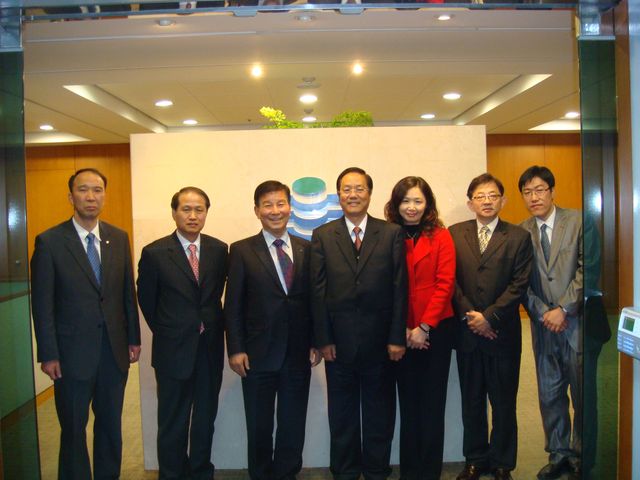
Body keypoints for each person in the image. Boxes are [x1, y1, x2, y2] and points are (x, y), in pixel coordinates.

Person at [31, 168, 141, 480]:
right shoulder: (50, 242)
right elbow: (43, 304)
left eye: (97, 190)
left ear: (104, 195)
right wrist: (49, 353)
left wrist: (133, 338)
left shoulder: (117, 238)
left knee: (110, 428)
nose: (90, 196)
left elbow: (125, 293)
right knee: (73, 430)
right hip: (70, 356)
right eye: (83, 190)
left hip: (113, 353)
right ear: (71, 197)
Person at [310, 166, 407, 480]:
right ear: (338, 195)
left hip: (381, 343)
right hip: (337, 344)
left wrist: (396, 338)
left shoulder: (391, 233)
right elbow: (318, 291)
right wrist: (323, 339)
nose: (353, 194)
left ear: (369, 193)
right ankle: (345, 470)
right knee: (342, 414)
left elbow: (398, 288)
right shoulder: (323, 235)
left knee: (379, 412)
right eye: (346, 189)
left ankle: (377, 470)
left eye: (359, 188)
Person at [225, 180, 320, 480]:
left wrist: (316, 341)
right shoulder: (241, 250)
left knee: (293, 424)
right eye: (268, 205)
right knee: (259, 425)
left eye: (281, 204)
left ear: (290, 207)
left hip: (296, 354)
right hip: (256, 355)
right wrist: (236, 348)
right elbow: (233, 304)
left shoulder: (307, 249)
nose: (275, 211)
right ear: (257, 211)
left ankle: (286, 474)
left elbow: (314, 302)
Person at [518, 166, 609, 480]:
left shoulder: (580, 221)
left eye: (540, 189)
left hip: (577, 327)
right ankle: (558, 455)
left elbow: (589, 270)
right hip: (543, 327)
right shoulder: (521, 231)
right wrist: (544, 311)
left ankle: (583, 459)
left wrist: (563, 309)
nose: (534, 197)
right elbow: (521, 282)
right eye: (528, 192)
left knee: (583, 398)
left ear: (553, 191)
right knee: (549, 395)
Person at [137, 186, 228, 480]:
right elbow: (147, 301)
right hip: (172, 351)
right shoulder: (154, 252)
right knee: (172, 421)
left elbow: (216, 295)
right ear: (174, 212)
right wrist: (172, 329)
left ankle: (201, 471)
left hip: (209, 348)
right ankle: (172, 474)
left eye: (199, 209)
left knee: (204, 419)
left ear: (206, 213)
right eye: (186, 209)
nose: (192, 215)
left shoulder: (218, 249)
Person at [449, 173, 532, 480]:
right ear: (470, 202)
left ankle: (502, 464)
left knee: (504, 403)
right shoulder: (455, 233)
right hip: (468, 333)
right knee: (471, 402)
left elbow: (519, 283)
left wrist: (490, 317)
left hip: (503, 334)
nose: (486, 201)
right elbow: (450, 281)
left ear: (503, 200)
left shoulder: (519, 237)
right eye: (480, 196)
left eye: (493, 195)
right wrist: (472, 315)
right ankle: (475, 460)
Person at [384, 176, 456, 480]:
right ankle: (409, 472)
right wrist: (401, 329)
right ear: (395, 204)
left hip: (435, 330)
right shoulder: (387, 235)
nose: (411, 207)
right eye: (405, 201)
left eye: (418, 201)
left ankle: (429, 473)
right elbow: (382, 285)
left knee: (432, 405)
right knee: (408, 405)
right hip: (398, 333)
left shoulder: (441, 235)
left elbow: (445, 284)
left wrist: (424, 326)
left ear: (427, 205)